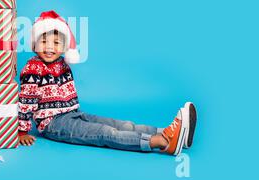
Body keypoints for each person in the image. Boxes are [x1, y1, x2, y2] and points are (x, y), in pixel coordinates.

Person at [18, 10, 197, 155]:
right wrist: (22, 130)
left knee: (120, 124)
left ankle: (167, 132)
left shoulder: (62, 64)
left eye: (56, 42)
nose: (49, 47)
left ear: (64, 48)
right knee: (105, 133)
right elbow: (26, 101)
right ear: (34, 45)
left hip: (73, 113)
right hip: (54, 124)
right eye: (43, 41)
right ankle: (161, 143)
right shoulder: (33, 69)